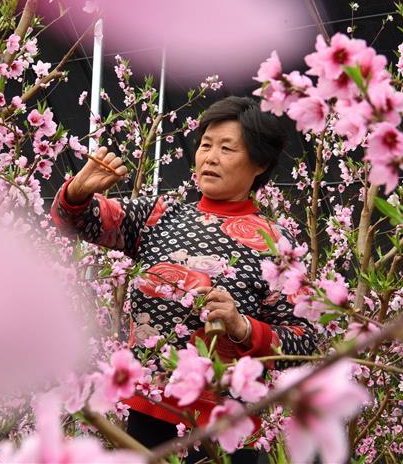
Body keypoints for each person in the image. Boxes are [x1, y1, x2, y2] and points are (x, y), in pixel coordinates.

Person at [51, 96, 316, 462]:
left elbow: (304, 344)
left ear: (260, 163)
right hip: (148, 414)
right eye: (205, 145)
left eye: (227, 148)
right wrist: (78, 193)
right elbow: (77, 220)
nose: (210, 157)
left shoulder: (277, 244)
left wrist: (243, 327)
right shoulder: (160, 216)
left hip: (226, 428)